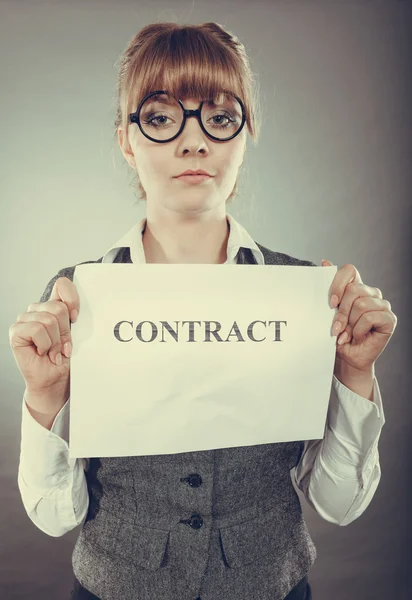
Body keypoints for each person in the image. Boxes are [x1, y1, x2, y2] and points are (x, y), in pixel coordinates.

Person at [9, 22, 396, 600]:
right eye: (162, 118)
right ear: (126, 139)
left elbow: (338, 507)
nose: (194, 143)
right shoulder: (75, 297)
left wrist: (354, 376)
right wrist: (44, 397)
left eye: (219, 117)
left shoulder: (306, 296)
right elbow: (55, 516)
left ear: (247, 133)